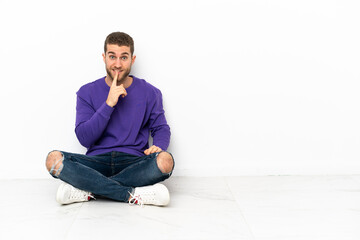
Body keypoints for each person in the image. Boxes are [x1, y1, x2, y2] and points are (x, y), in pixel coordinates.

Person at [45, 32, 174, 207]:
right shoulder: (86, 92)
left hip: (134, 162)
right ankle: (131, 194)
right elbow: (84, 138)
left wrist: (159, 146)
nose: (118, 64)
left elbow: (161, 128)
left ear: (132, 59)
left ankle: (88, 188)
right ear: (104, 57)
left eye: (124, 57)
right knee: (53, 160)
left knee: (166, 161)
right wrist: (108, 104)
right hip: (96, 162)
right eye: (112, 56)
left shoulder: (150, 92)